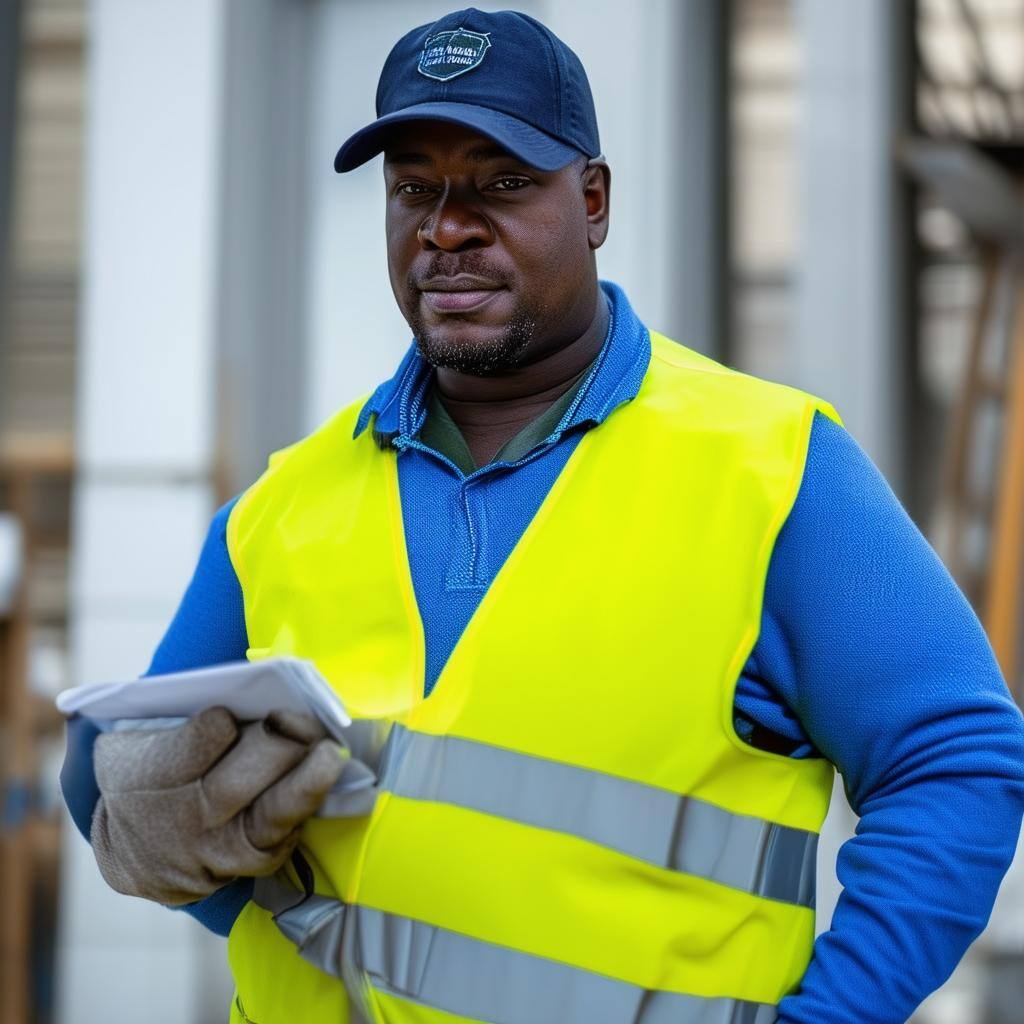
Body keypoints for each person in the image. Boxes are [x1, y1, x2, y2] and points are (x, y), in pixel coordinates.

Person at [61, 8, 1024, 1024]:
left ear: (594, 200)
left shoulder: (769, 470)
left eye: (502, 182)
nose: (447, 225)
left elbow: (952, 762)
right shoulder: (280, 509)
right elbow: (125, 773)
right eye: (414, 189)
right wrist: (116, 793)